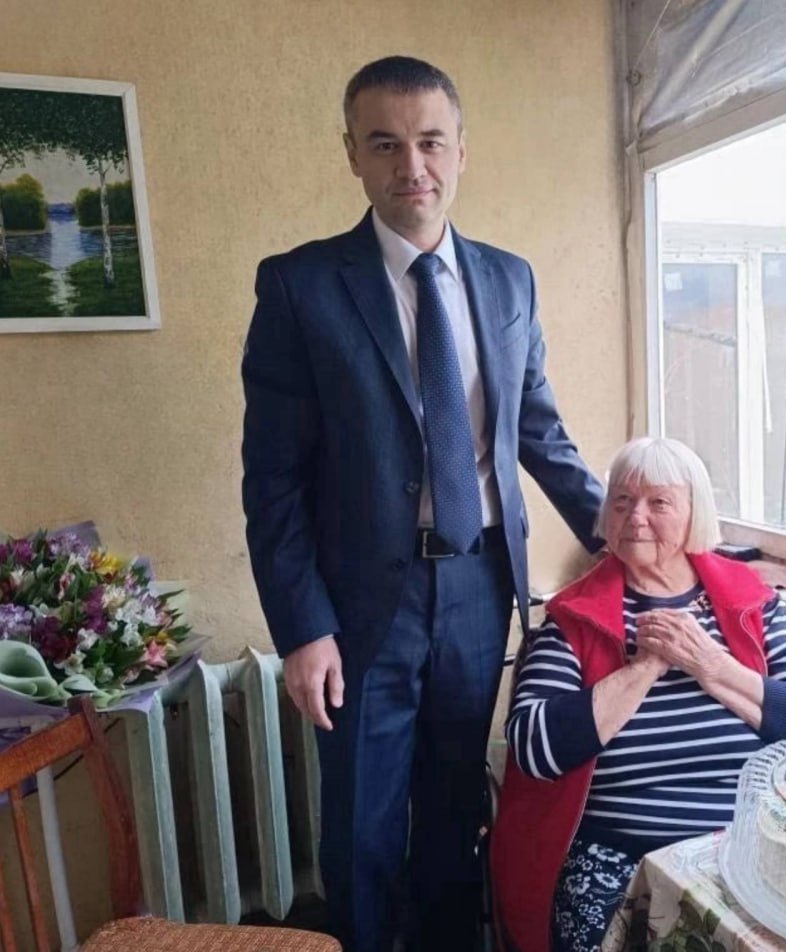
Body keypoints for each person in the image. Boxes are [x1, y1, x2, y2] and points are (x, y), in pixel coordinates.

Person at [240, 55, 605, 952]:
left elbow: (540, 434)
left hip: (480, 590)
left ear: (461, 151)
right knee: (362, 826)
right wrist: (303, 627)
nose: (413, 166)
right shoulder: (300, 287)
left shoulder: (510, 280)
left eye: (431, 142)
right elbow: (272, 480)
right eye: (386, 144)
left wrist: (633, 534)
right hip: (364, 605)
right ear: (353, 156)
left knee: (454, 813)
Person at [490, 437, 786, 952]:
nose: (636, 517)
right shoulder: (574, 619)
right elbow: (535, 749)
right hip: (618, 858)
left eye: (659, 502)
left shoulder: (749, 604)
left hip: (741, 852)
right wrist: (646, 667)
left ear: (694, 514)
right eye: (622, 500)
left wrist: (710, 664)